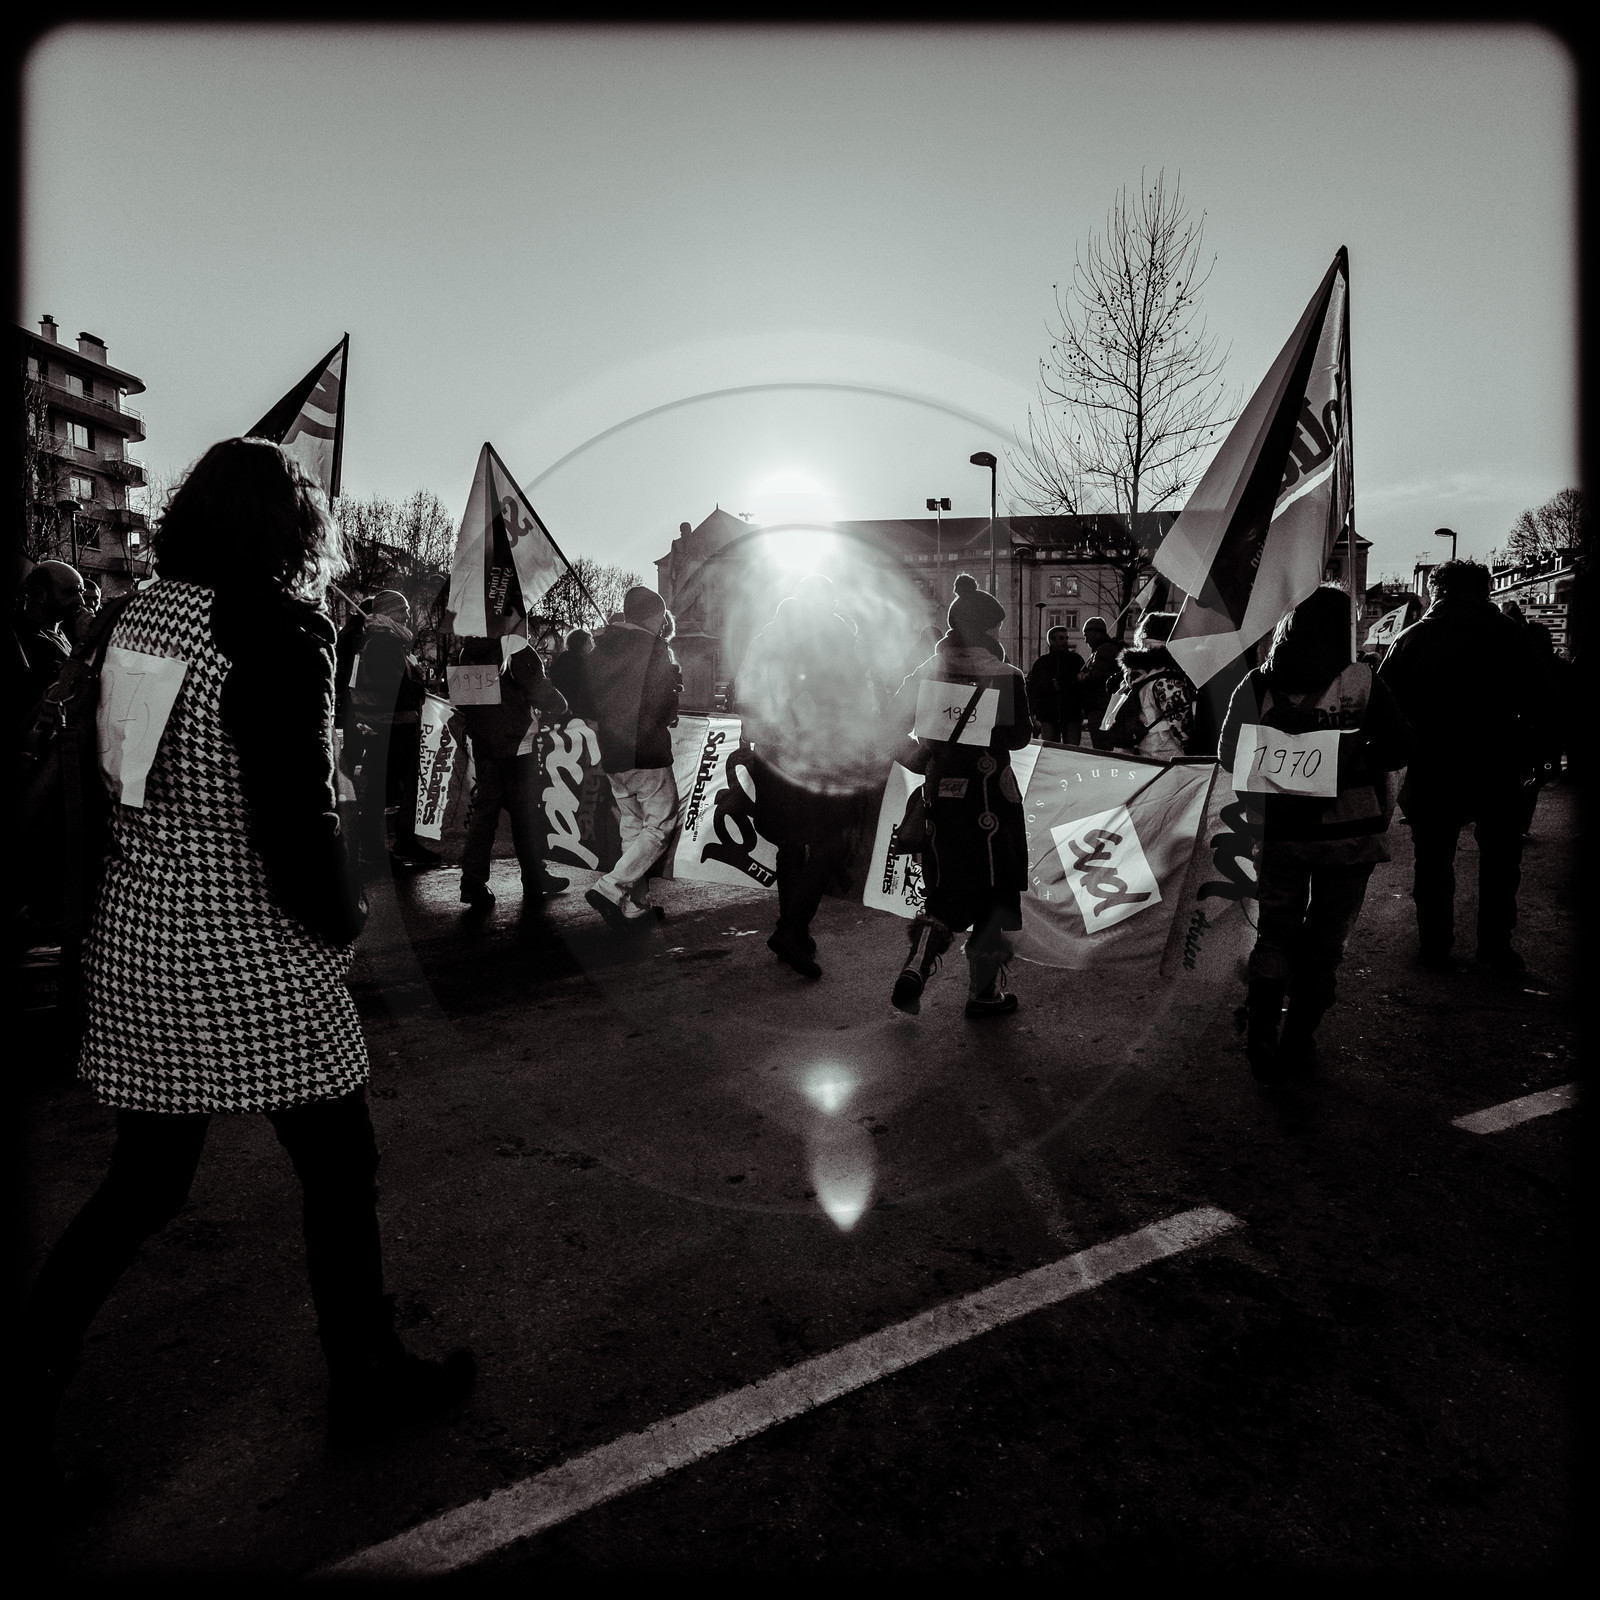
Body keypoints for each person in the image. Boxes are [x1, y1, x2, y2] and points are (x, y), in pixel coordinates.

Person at [20, 439, 474, 1498]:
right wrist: (342, 916)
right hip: (248, 944)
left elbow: (121, 779)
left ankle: (29, 1385)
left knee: (141, 1187)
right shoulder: (274, 627)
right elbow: (292, 814)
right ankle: (364, 1376)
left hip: (140, 931)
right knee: (338, 1166)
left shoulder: (129, 617)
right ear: (288, 528)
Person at [1219, 585, 1413, 1083]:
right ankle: (1299, 1039)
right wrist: (1347, 757)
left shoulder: (1258, 684)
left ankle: (1262, 1031)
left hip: (1279, 834)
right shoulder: (1363, 682)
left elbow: (1227, 755)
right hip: (1350, 837)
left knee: (1277, 932)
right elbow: (1398, 748)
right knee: (1326, 941)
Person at [1378, 558, 1546, 973]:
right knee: (1501, 860)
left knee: (1434, 859)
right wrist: (1532, 754)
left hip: (1433, 763)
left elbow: (1385, 700)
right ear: (1486, 590)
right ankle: (1495, 945)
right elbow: (1539, 699)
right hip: (1498, 762)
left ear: (1438, 590)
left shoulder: (1413, 638)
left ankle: (1435, 944)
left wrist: (1400, 754)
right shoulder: (1511, 635)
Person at [890, 573, 1032, 1020]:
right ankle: (982, 995)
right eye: (996, 627)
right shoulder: (1006, 676)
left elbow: (888, 727)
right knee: (992, 893)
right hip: (992, 803)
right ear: (987, 629)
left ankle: (917, 965)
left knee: (946, 893)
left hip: (942, 800)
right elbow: (1020, 737)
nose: (999, 634)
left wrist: (919, 760)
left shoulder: (926, 672)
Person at [734, 574, 880, 978]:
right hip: (819, 753)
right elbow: (849, 696)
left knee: (791, 844)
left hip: (773, 753)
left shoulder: (769, 635)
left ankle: (794, 937)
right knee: (833, 841)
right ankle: (792, 928)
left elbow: (744, 690)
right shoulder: (832, 634)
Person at [582, 585, 682, 929]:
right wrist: (673, 689)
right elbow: (662, 708)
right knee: (661, 823)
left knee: (633, 824)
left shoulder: (599, 649)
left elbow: (587, 699)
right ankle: (611, 887)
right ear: (655, 616)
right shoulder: (655, 648)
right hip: (647, 750)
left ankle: (635, 904)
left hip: (612, 750)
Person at [454, 634, 571, 910]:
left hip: (484, 742)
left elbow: (463, 701)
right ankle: (534, 878)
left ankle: (472, 882)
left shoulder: (467, 652)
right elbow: (538, 690)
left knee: (485, 813)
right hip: (518, 741)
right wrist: (561, 705)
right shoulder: (515, 646)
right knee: (526, 813)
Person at [345, 588, 439, 870]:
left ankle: (384, 846)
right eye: (404, 610)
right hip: (391, 728)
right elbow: (395, 687)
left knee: (383, 790)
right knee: (394, 790)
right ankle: (387, 847)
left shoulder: (383, 642)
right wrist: (418, 687)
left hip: (387, 727)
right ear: (389, 613)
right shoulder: (383, 644)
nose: (408, 615)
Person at [1099, 611, 1199, 759]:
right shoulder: (1167, 677)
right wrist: (1191, 749)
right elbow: (1180, 723)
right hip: (1168, 752)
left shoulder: (1137, 672)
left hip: (1143, 748)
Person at [1515, 621, 1571, 840]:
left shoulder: (1517, 667)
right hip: (1546, 735)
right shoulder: (1559, 667)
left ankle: (1517, 822)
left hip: (1523, 733)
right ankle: (1521, 823)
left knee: (1523, 777)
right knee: (1537, 776)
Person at [15, 560, 88, 709]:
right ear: (40, 594)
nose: (81, 601)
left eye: (81, 593)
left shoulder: (62, 631)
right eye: (70, 593)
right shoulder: (26, 638)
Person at [1026, 627, 1084, 743]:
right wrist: (1033, 713)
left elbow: (1083, 686)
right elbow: (1033, 689)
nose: (1065, 641)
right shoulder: (1041, 663)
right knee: (1051, 750)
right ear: (1051, 641)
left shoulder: (1076, 660)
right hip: (1048, 714)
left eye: (1066, 638)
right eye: (1061, 638)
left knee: (1072, 751)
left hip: (1071, 713)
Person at [1078, 615, 1123, 750]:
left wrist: (1081, 677)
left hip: (1101, 706)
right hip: (1110, 704)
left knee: (1102, 746)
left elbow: (1094, 678)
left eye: (1086, 634)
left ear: (1095, 632)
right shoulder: (1111, 648)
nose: (1085, 640)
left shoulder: (1104, 650)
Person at [548, 627, 594, 711]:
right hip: (573, 710)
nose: (591, 646)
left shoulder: (564, 658)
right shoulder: (574, 662)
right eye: (589, 643)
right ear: (580, 644)